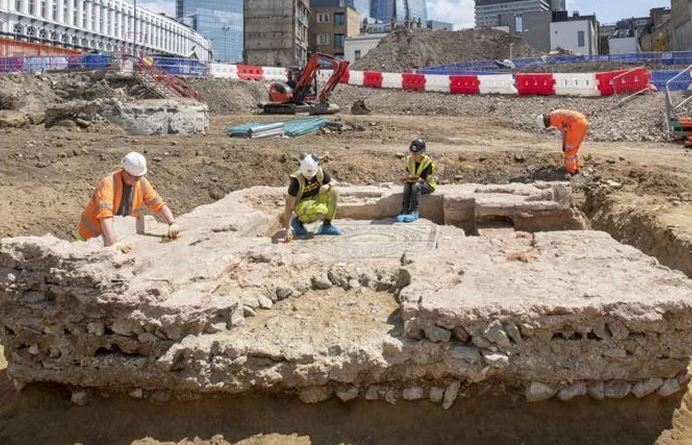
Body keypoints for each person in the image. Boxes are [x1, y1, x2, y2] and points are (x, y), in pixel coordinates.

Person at [76, 151, 179, 247]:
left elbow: (159, 205)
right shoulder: (109, 183)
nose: (137, 180)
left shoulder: (141, 183)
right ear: (125, 171)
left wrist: (172, 223)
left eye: (139, 176)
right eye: (134, 177)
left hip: (114, 235)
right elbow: (105, 216)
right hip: (89, 237)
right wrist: (114, 244)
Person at [282, 153, 342, 242]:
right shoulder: (296, 181)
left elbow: (335, 182)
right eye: (307, 176)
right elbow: (289, 205)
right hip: (301, 203)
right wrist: (287, 228)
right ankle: (298, 222)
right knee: (319, 210)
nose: (309, 177)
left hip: (315, 198)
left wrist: (328, 185)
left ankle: (326, 226)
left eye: (311, 175)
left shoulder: (319, 172)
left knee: (334, 191)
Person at [396, 138, 437, 223]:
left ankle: (414, 211)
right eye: (412, 152)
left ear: (422, 152)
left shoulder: (427, 161)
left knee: (416, 185)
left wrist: (412, 179)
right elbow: (408, 173)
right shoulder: (408, 160)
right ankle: (404, 210)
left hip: (427, 185)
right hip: (413, 182)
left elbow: (423, 180)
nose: (414, 155)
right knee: (407, 185)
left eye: (416, 152)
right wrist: (406, 179)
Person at [536, 110, 589, 175]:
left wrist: (564, 145)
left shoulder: (553, 120)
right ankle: (577, 167)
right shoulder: (554, 114)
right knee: (574, 147)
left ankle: (571, 171)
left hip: (576, 124)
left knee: (569, 150)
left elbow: (564, 133)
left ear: (546, 123)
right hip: (582, 121)